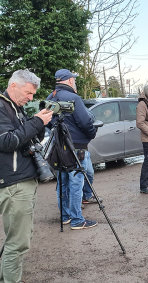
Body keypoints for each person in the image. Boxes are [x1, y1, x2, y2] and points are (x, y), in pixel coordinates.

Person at [0, 69, 53, 282]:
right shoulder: (2, 107)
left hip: (22, 179)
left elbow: (24, 139)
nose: (30, 98)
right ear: (13, 85)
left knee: (18, 239)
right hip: (14, 183)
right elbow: (7, 141)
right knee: (18, 243)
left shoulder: (15, 108)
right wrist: (36, 123)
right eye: (28, 93)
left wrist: (40, 125)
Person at [47, 69, 98, 229]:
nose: (74, 82)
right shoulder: (74, 98)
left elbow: (47, 122)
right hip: (77, 148)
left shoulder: (50, 97)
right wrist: (92, 133)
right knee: (76, 182)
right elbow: (85, 122)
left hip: (59, 147)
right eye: (73, 79)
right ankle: (77, 220)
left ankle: (65, 216)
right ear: (69, 81)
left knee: (62, 182)